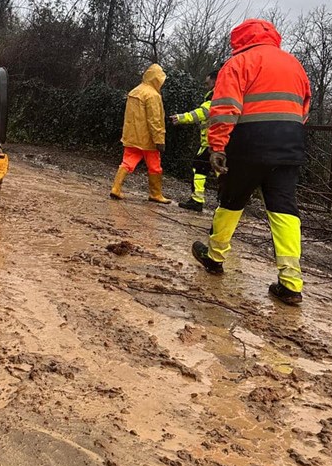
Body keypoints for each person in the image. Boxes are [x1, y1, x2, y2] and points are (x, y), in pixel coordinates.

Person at [191, 18, 311, 305]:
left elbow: (224, 109)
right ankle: (291, 282)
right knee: (284, 209)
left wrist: (217, 146)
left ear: (239, 39)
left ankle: (215, 256)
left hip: (249, 141)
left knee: (232, 200)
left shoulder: (238, 63)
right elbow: (304, 107)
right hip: (290, 142)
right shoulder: (293, 64)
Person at [110, 63, 171, 204]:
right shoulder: (153, 95)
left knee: (127, 162)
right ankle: (155, 194)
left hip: (131, 136)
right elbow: (155, 120)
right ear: (157, 79)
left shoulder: (134, 91)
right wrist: (159, 139)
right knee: (155, 166)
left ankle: (116, 188)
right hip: (148, 139)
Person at [170, 70, 218, 212]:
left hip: (212, 143)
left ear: (215, 81)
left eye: (207, 83)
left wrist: (181, 118)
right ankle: (224, 203)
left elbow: (202, 113)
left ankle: (197, 200)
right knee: (214, 172)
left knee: (200, 169)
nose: (206, 86)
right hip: (216, 143)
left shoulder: (216, 97)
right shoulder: (226, 95)